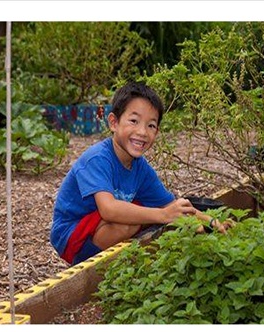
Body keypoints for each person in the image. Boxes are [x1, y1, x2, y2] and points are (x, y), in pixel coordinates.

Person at [50, 81, 228, 266]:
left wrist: (211, 221)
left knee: (150, 213)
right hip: (71, 235)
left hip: (98, 225)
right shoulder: (97, 158)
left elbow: (169, 204)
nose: (142, 132)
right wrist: (164, 215)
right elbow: (109, 209)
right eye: (134, 121)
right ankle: (96, 268)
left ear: (157, 131)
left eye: (151, 125)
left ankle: (121, 260)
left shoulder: (140, 167)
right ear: (114, 122)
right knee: (132, 222)